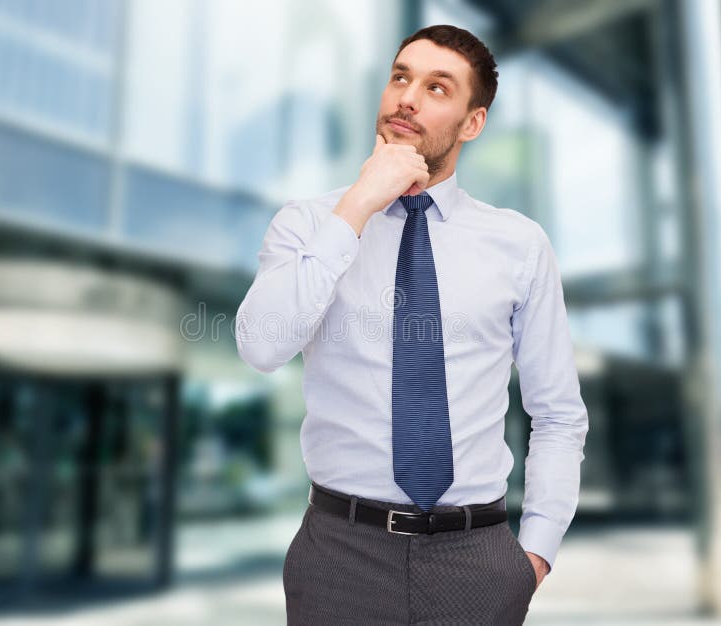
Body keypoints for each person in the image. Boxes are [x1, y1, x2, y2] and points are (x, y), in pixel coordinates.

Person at [235, 23, 589, 625]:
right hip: (339, 555)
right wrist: (358, 205)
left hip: (476, 558)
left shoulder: (519, 244)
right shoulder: (308, 225)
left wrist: (534, 555)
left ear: (472, 123)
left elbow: (557, 411)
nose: (407, 97)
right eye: (401, 77)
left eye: (436, 87)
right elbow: (261, 347)